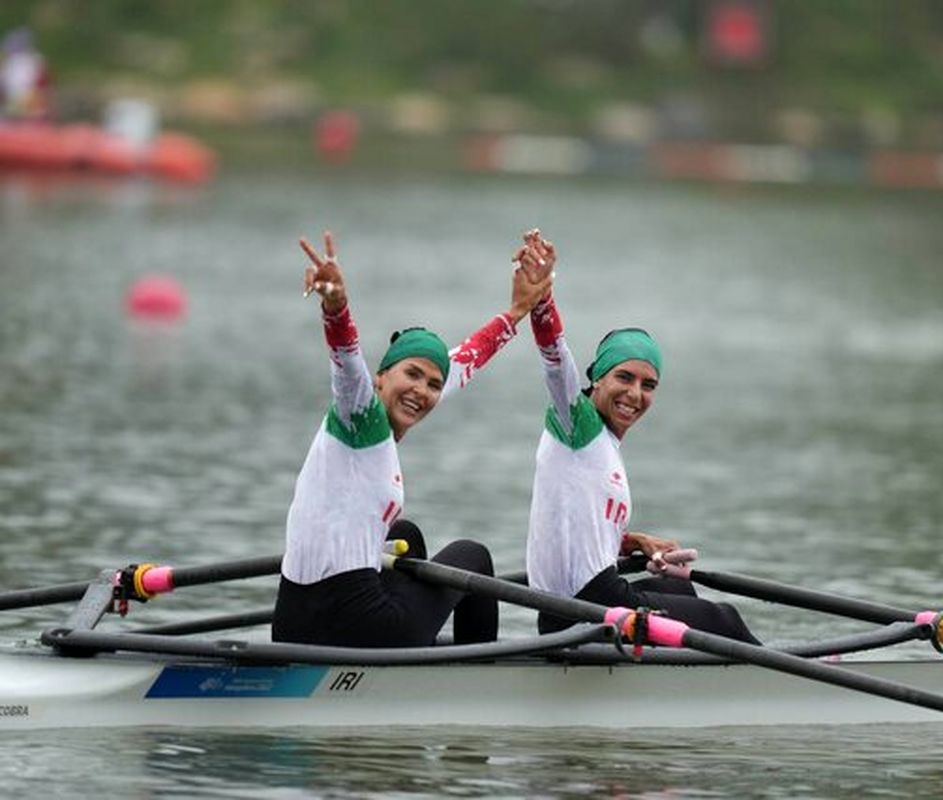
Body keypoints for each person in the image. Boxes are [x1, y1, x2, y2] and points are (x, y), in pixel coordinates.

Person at [272, 230, 553, 648]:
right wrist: (336, 308)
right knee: (471, 557)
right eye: (412, 375)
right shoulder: (357, 413)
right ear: (380, 377)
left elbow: (465, 360)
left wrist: (516, 311)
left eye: (433, 384)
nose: (422, 391)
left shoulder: (380, 420)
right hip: (353, 622)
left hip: (292, 620)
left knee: (407, 535)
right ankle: (478, 681)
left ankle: (419, 661)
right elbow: (346, 359)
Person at [517, 230, 759, 643]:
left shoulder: (602, 444)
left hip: (587, 601)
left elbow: (576, 525)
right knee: (723, 619)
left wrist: (633, 540)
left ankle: (689, 685)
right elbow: (555, 358)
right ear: (595, 379)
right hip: (582, 612)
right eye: (624, 378)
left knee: (678, 588)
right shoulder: (575, 424)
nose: (635, 394)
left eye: (648, 385)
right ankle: (784, 685)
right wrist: (541, 299)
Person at [0, 28, 51, 121]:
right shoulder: (9, 64)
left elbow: (42, 86)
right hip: (17, 107)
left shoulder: (34, 62)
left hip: (29, 107)